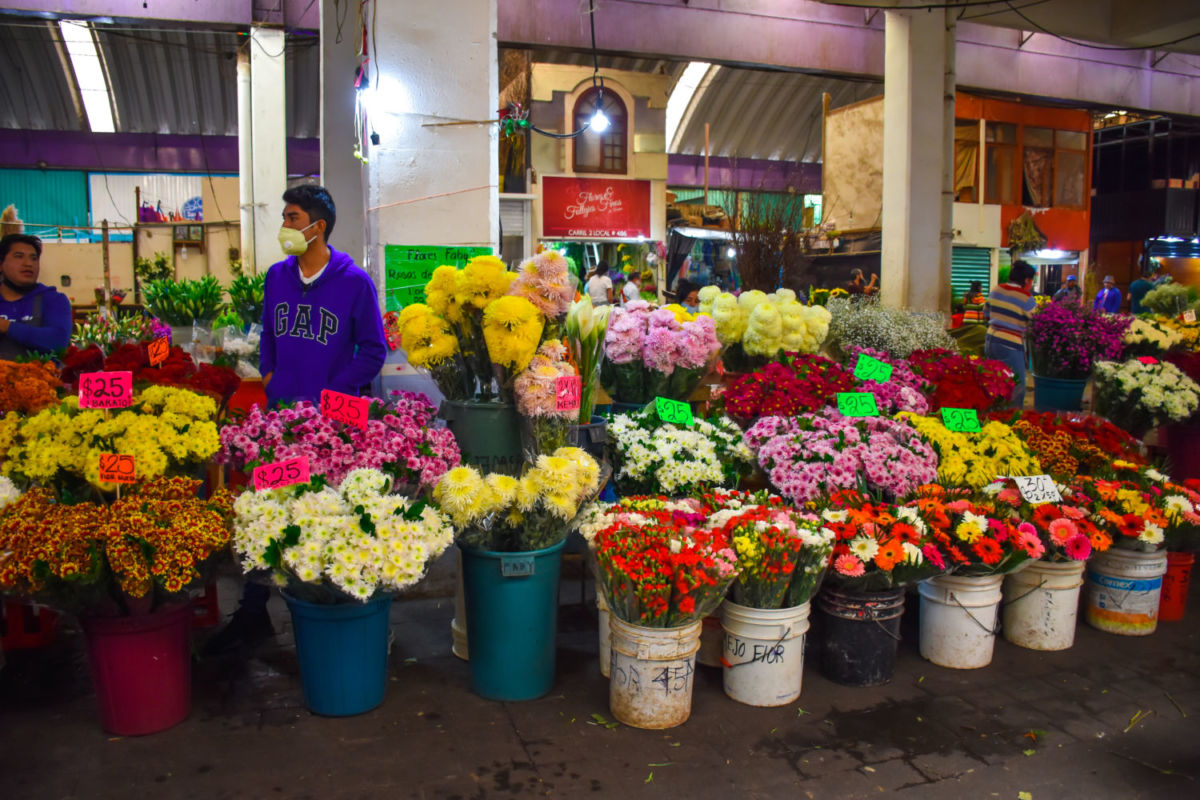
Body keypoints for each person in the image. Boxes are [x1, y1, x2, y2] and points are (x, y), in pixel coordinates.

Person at [206, 185, 387, 656]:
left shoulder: (354, 282)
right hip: (280, 420)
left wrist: (336, 391)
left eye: (291, 217)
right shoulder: (277, 277)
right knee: (268, 504)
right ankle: (252, 611)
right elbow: (268, 332)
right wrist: (269, 376)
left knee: (325, 513)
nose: (284, 226)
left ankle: (333, 608)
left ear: (317, 226)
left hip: (332, 426)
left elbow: (374, 351)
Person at [0, 234, 72, 359]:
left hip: (41, 377)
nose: (28, 264)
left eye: (34, 258)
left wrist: (7, 327)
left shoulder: (54, 299)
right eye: (19, 256)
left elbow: (58, 341)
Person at [985, 260, 1037, 409]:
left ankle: (993, 415)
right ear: (1027, 280)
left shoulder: (996, 289)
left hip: (990, 340)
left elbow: (986, 313)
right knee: (1016, 384)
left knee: (993, 380)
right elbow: (1035, 321)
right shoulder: (1025, 297)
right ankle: (1010, 419)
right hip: (1010, 344)